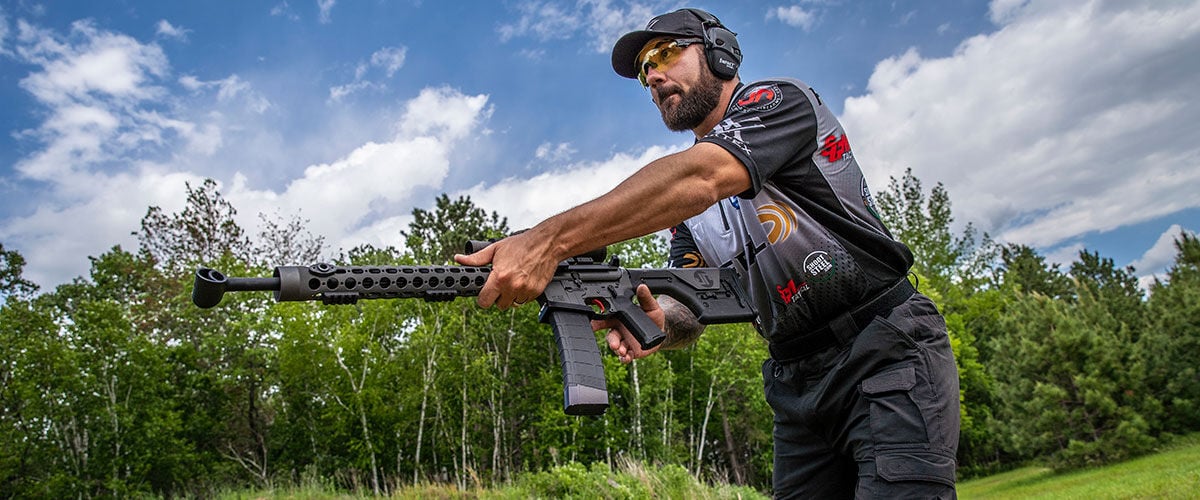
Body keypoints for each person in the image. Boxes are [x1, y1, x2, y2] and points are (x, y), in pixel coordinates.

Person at [456, 7, 960, 498]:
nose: (653, 77)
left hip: (883, 347)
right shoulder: (688, 211)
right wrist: (647, 320)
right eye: (643, 72)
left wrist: (546, 241)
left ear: (721, 54)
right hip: (794, 377)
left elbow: (702, 175)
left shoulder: (778, 102)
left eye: (665, 53)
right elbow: (693, 301)